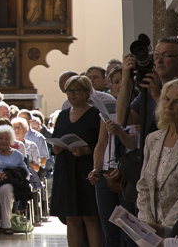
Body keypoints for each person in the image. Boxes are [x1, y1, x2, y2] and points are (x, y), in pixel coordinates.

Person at [137, 78, 178, 236]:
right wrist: (146, 224)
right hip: (149, 230)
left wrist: (165, 229)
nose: (169, 106)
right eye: (166, 99)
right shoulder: (153, 139)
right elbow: (143, 186)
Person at [51, 75, 104, 247]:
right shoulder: (63, 115)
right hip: (66, 169)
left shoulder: (95, 114)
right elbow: (55, 138)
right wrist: (56, 148)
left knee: (90, 216)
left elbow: (101, 143)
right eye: (69, 91)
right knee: (71, 217)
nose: (72, 95)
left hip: (86, 168)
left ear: (87, 92)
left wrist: (85, 150)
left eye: (76, 91)